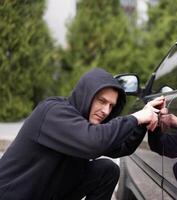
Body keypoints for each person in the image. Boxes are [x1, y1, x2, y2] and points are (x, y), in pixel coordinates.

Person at [0, 68, 165, 200]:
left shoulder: (88, 125)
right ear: (87, 94)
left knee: (107, 170)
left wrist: (143, 119)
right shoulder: (53, 112)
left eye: (111, 105)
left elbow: (121, 146)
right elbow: (93, 142)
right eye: (101, 101)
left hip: (48, 193)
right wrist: (136, 118)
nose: (106, 110)